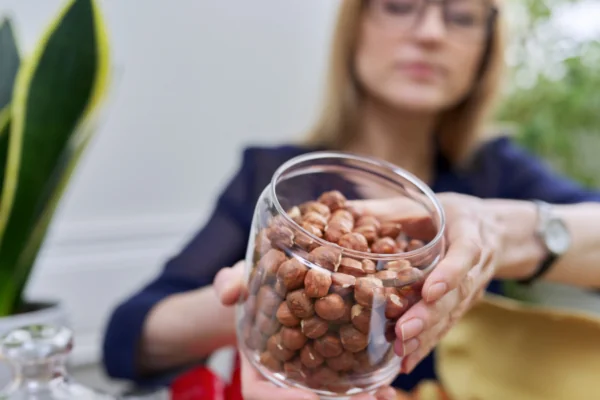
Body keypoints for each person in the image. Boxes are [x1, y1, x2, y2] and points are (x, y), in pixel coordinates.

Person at [102, 0, 600, 398]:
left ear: (486, 50)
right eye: (400, 6)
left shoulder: (495, 171)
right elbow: (128, 337)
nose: (430, 33)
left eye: (461, 16)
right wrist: (270, 299)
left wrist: (503, 232)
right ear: (355, 24)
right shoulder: (272, 175)